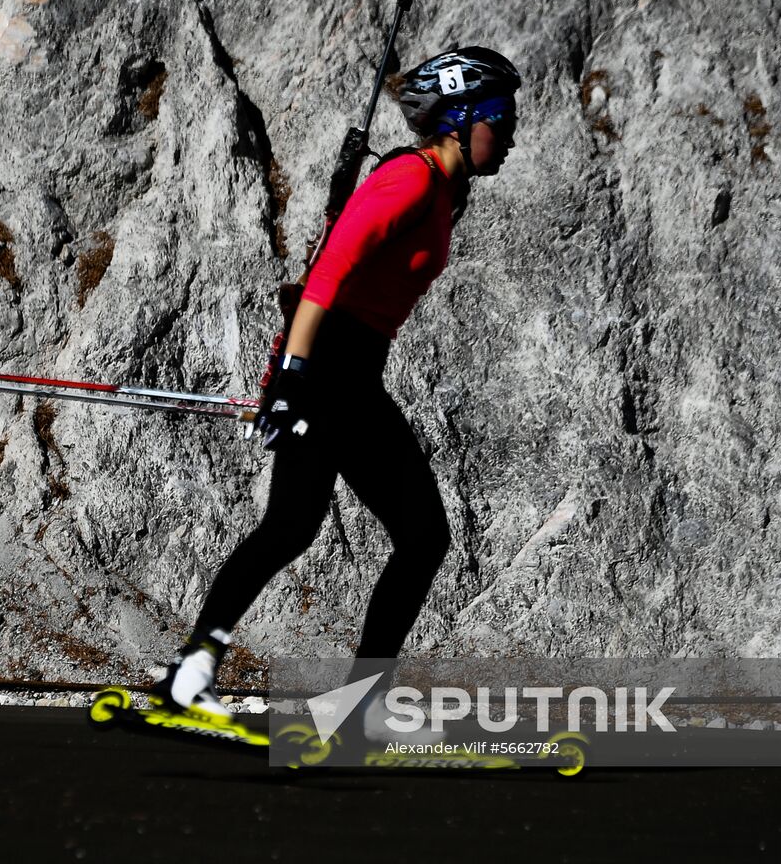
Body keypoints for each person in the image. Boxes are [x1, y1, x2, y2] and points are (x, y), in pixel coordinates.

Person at [151, 47, 522, 722]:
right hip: (326, 366)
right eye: (501, 116)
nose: (513, 132)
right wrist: (290, 379)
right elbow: (325, 279)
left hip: (355, 372)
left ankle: (333, 698)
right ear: (460, 118)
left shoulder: (443, 189)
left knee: (379, 533)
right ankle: (208, 672)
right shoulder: (409, 181)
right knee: (325, 528)